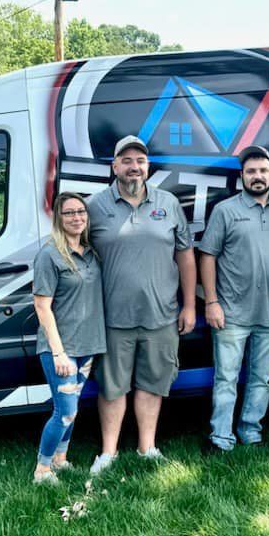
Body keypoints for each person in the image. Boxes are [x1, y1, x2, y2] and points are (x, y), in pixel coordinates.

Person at [86, 135, 196, 474]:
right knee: (113, 385)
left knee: (153, 382)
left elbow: (185, 255)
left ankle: (147, 448)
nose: (135, 167)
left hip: (161, 314)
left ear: (148, 167)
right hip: (112, 316)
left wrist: (189, 304)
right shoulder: (93, 206)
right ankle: (108, 453)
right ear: (114, 166)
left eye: (141, 162)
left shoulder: (168, 203)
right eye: (127, 161)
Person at [198, 145, 269, 453]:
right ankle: (221, 437)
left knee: (261, 378)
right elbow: (208, 255)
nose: (257, 176)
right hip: (231, 312)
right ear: (242, 176)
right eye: (251, 171)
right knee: (226, 378)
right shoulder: (226, 210)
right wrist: (211, 302)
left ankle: (251, 432)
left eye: (263, 171)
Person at [31, 192, 106, 484]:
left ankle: (61, 460)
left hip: (88, 344)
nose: (77, 218)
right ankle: (43, 469)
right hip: (61, 349)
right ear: (59, 219)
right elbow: (41, 305)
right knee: (65, 410)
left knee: (72, 410)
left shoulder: (91, 253)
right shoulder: (49, 255)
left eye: (81, 212)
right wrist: (59, 352)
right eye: (69, 213)